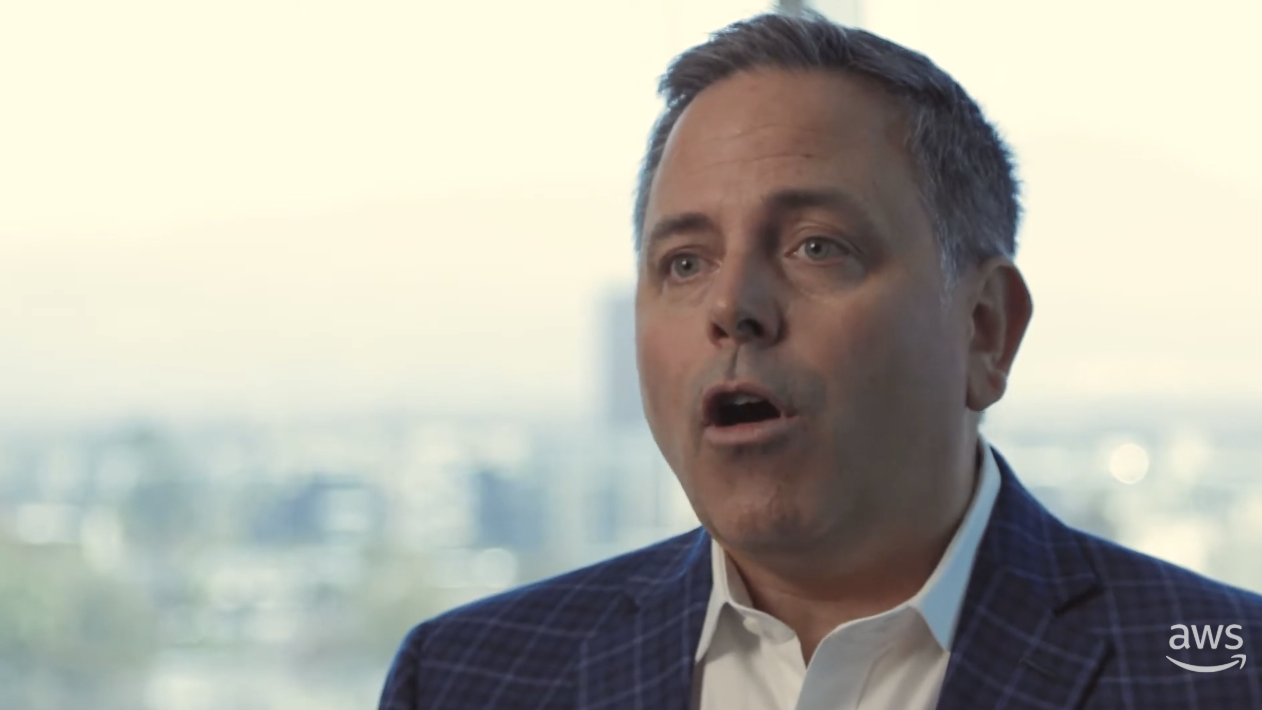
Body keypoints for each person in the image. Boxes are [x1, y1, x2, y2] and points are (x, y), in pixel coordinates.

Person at [378, 11, 1262, 710]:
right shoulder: (465, 678)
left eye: (815, 246)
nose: (732, 307)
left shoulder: (1226, 672)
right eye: (685, 262)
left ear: (986, 330)